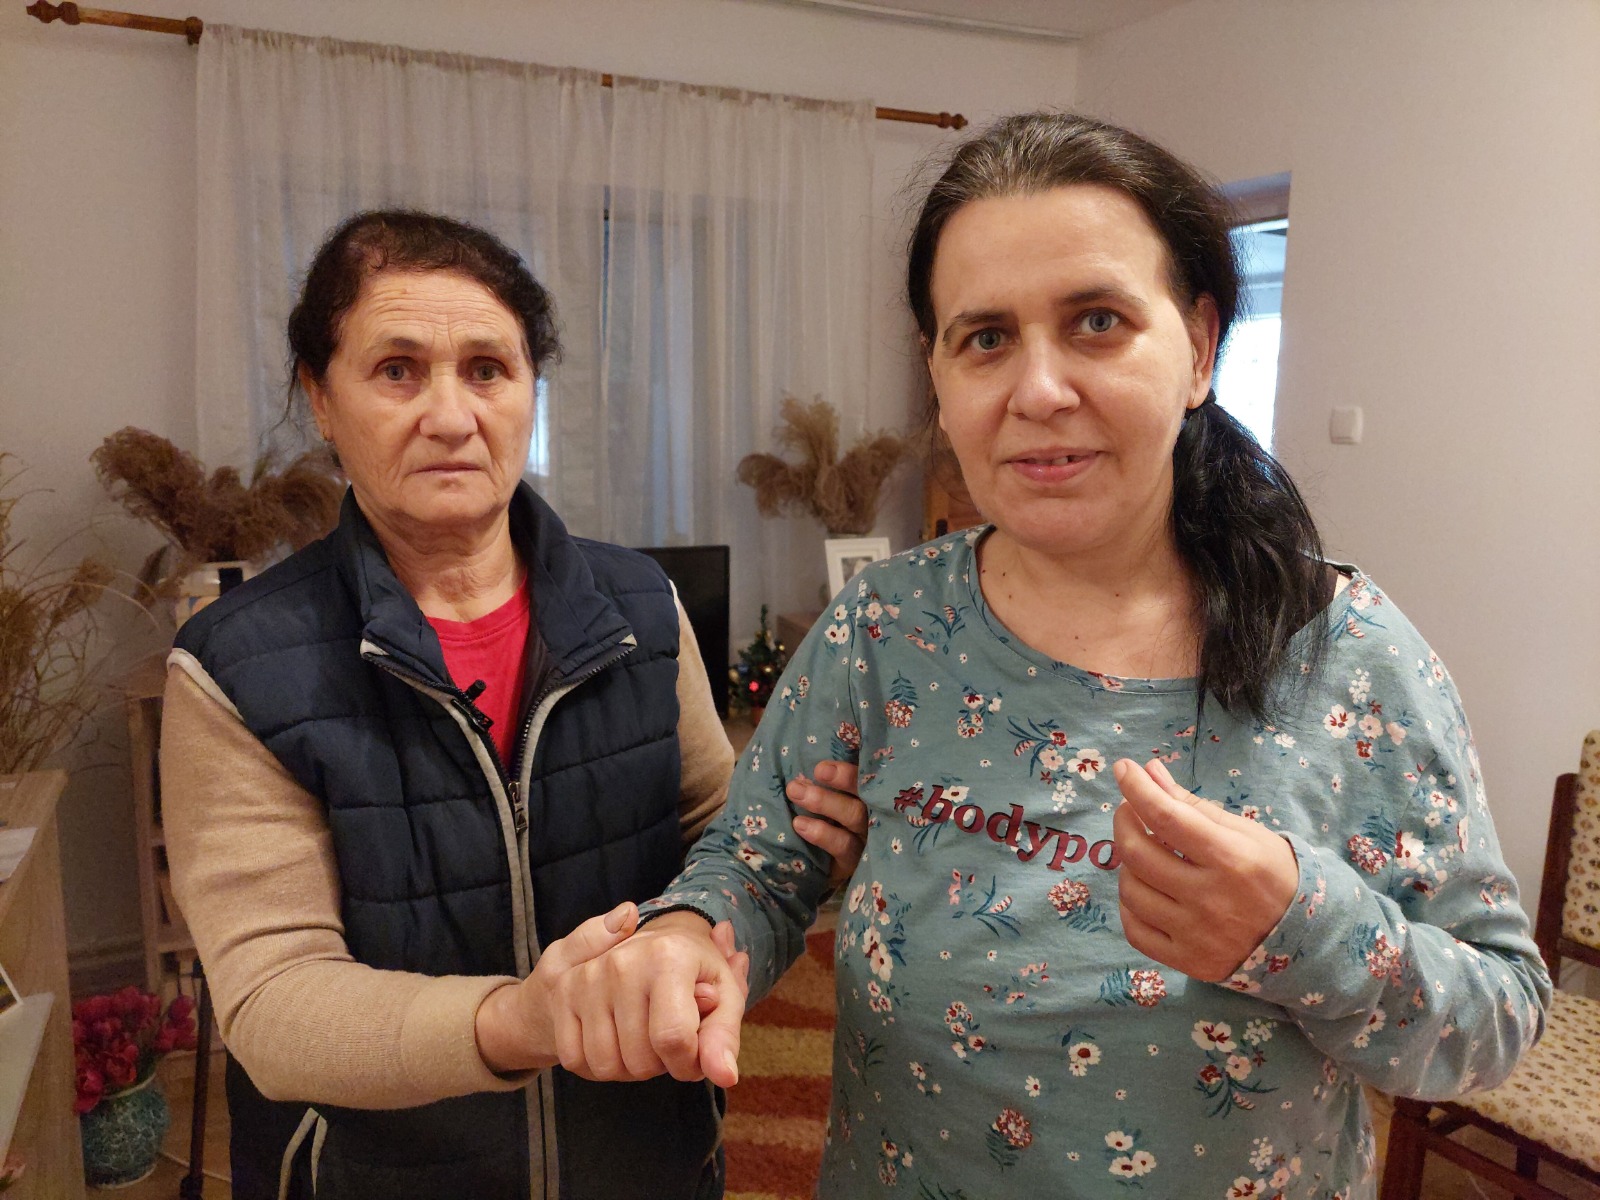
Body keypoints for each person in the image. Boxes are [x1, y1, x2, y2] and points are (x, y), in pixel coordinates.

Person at [554, 114, 1552, 1198]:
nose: (1037, 391)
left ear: (1198, 349)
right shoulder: (886, 628)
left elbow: (1495, 1021)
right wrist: (690, 935)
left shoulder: (1344, 656)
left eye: (1097, 322)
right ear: (939, 379)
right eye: (985, 338)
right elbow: (757, 864)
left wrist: (1301, 928)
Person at [159, 209, 866, 1200]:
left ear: (531, 389)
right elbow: (275, 1004)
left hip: (649, 1166)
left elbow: (721, 832)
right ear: (320, 397)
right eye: (397, 370)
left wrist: (804, 856)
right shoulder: (236, 667)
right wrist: (520, 1021)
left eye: (488, 369)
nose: (451, 416)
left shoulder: (639, 607)